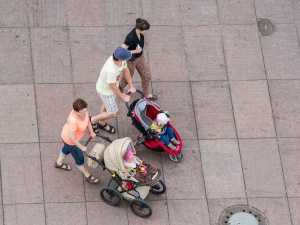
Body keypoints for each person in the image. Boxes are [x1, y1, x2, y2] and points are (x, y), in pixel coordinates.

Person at [90, 46, 136, 134]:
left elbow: (125, 70)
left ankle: (101, 122)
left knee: (106, 105)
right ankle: (93, 120)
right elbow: (113, 87)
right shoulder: (111, 70)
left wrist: (131, 85)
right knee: (113, 113)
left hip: (110, 90)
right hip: (106, 91)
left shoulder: (120, 61)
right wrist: (123, 96)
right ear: (119, 59)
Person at [54, 98, 99, 184]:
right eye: (83, 112)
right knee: (79, 158)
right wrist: (81, 147)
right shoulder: (73, 121)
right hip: (70, 141)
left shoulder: (83, 110)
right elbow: (72, 138)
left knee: (66, 149)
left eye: (86, 111)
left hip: (69, 139)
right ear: (77, 111)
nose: (85, 113)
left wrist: (91, 131)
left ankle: (59, 163)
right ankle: (87, 175)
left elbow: (88, 120)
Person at [119, 18, 157, 100]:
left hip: (140, 57)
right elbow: (121, 51)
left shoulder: (141, 33)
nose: (147, 32)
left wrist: (138, 52)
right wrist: (135, 51)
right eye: (145, 31)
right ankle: (120, 87)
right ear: (139, 29)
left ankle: (145, 94)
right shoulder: (130, 37)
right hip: (131, 60)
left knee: (146, 76)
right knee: (127, 78)